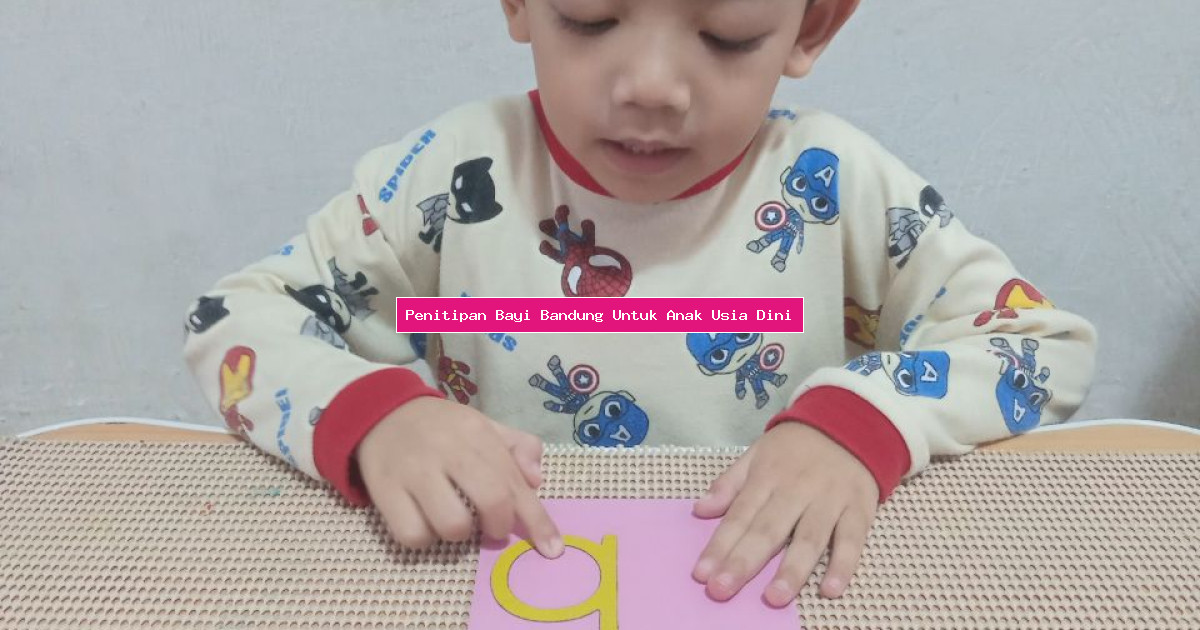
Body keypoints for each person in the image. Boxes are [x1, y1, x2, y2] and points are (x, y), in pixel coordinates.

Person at [183, 0, 1097, 608]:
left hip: (758, 584)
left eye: (728, 33)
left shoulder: (833, 182)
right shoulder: (453, 171)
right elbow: (235, 318)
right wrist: (378, 416)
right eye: (590, 17)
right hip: (506, 575)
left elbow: (1038, 343)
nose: (651, 86)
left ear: (812, 23)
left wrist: (857, 426)